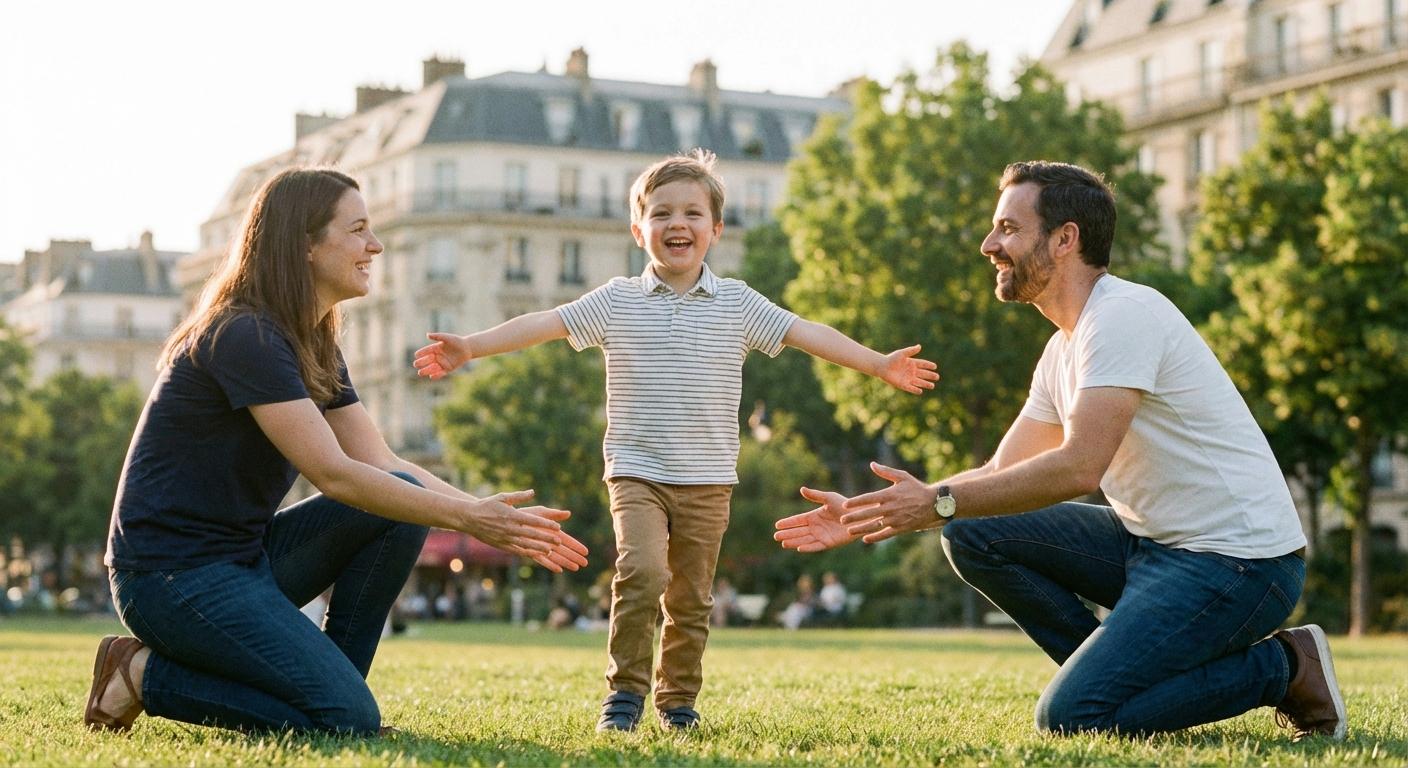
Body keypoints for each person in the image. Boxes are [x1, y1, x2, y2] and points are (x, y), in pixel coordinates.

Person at [775, 161, 1345, 741]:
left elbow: (1079, 466)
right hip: (1152, 548)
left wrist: (939, 501)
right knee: (970, 531)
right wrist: (876, 513)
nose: (988, 245)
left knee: (1072, 719)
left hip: (1239, 565)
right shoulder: (1062, 349)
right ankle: (1118, 680)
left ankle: (1287, 667)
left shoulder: (1122, 316)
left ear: (1065, 238)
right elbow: (1001, 472)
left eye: (1008, 229)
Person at [413, 149, 939, 732]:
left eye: (692, 213)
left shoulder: (738, 303)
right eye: (661, 214)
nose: (677, 224)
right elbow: (546, 322)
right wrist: (472, 346)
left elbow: (806, 333)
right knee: (642, 573)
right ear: (639, 230)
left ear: (715, 229)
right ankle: (624, 696)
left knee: (691, 599)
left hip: (709, 478)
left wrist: (876, 365)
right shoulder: (617, 300)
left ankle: (678, 701)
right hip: (636, 471)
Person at [83, 168, 589, 736]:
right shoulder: (244, 334)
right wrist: (472, 519)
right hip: (169, 579)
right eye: (357, 229)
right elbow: (334, 475)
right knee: (346, 715)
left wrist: (489, 513)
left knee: (402, 509)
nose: (374, 245)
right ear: (303, 243)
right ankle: (140, 673)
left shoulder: (312, 341)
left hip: (245, 561)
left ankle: (336, 699)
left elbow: (384, 464)